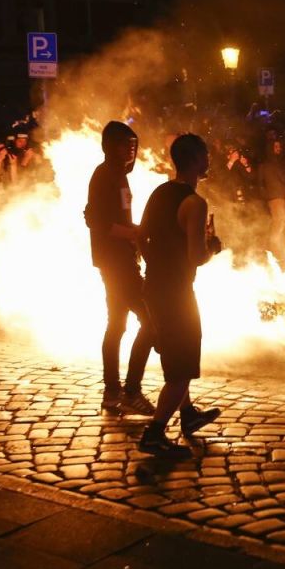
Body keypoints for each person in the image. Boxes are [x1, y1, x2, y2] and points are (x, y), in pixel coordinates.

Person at [137, 133, 222, 459]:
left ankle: (188, 415)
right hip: (176, 293)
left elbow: (141, 236)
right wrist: (212, 246)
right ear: (197, 160)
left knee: (175, 357)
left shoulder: (160, 192)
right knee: (182, 364)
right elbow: (197, 256)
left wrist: (154, 264)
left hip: (154, 286)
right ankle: (155, 434)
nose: (209, 160)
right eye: (205, 155)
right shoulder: (195, 203)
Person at [84, 121, 157, 416]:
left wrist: (140, 233)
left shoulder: (118, 176)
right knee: (151, 323)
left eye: (132, 144)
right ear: (109, 146)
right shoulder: (104, 176)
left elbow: (121, 220)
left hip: (121, 259)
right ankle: (131, 391)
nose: (130, 149)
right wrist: (135, 235)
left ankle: (112, 392)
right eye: (123, 144)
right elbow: (99, 223)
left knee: (116, 325)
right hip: (115, 262)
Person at [258, 139, 285, 261]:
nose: (278, 148)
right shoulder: (264, 164)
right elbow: (260, 183)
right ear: (270, 148)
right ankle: (273, 248)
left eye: (279, 146)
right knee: (279, 221)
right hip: (274, 197)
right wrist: (267, 196)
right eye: (275, 146)